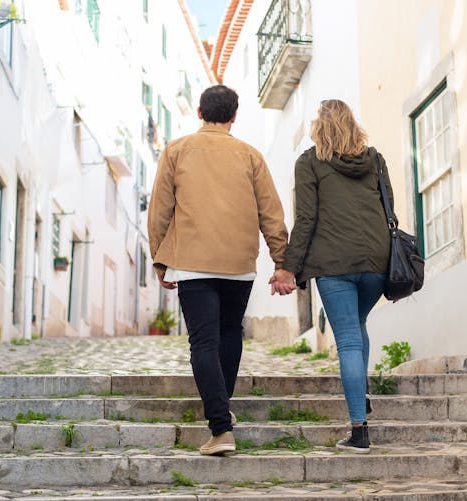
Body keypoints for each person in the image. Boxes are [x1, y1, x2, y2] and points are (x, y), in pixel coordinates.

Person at [148, 84, 294, 456]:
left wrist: (159, 258)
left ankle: (220, 426)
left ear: (199, 112)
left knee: (203, 341)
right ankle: (221, 415)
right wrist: (281, 261)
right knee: (230, 333)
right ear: (233, 116)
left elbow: (160, 210)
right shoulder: (250, 155)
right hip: (238, 263)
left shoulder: (176, 150)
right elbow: (271, 213)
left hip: (192, 263)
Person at [272, 99, 394, 454]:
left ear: (318, 127)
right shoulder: (375, 159)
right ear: (353, 125)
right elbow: (390, 211)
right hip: (376, 261)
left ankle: (359, 430)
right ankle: (362, 393)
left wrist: (288, 268)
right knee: (357, 326)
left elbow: (306, 219)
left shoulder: (309, 162)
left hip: (334, 265)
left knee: (348, 342)